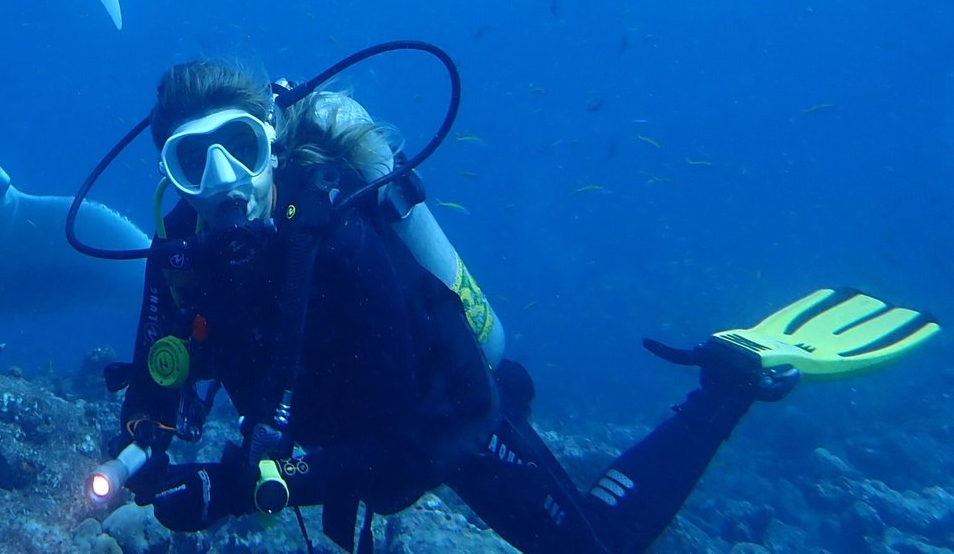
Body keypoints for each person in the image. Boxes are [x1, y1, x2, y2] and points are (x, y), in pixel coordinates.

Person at [111, 59, 936, 554]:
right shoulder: (178, 258)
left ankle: (725, 382)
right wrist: (140, 452)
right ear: (169, 178)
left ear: (272, 145)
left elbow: (409, 432)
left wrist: (247, 487)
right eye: (192, 161)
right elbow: (156, 389)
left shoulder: (341, 241)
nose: (222, 182)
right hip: (334, 440)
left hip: (449, 412)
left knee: (599, 546)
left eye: (240, 148)